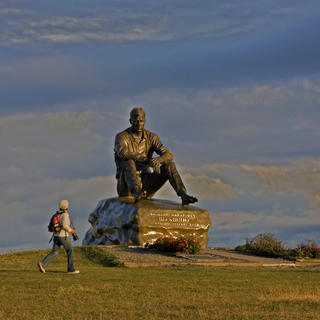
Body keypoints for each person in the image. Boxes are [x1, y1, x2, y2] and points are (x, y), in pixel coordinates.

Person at [114, 107, 198, 206]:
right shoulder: (121, 136)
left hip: (146, 183)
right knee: (129, 162)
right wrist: (147, 160)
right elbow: (123, 153)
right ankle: (136, 193)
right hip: (126, 185)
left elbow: (168, 154)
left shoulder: (152, 137)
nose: (138, 124)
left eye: (141, 121)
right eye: (135, 121)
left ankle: (183, 195)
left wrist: (158, 160)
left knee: (170, 165)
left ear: (145, 121)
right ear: (130, 121)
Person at [38, 199, 79, 274]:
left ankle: (43, 264)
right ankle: (71, 269)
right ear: (67, 206)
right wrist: (71, 230)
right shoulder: (65, 214)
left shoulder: (58, 214)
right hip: (63, 236)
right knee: (70, 251)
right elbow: (64, 225)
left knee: (55, 252)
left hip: (56, 236)